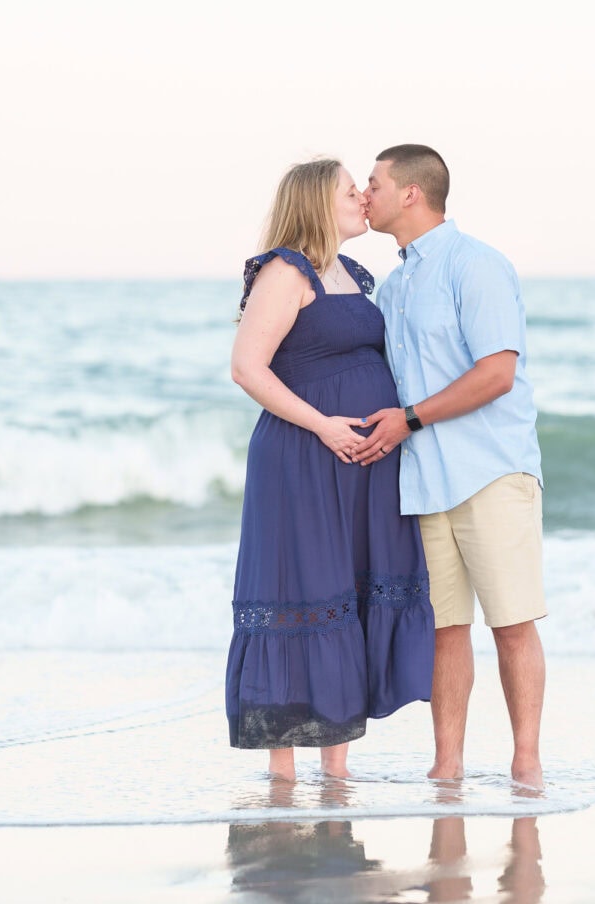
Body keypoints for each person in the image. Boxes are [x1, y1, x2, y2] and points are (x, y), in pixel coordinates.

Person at [225, 157, 435, 781]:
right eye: (352, 191)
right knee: (301, 591)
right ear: (319, 202)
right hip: (303, 458)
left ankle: (336, 772)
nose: (364, 199)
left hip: (361, 464)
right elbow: (247, 368)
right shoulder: (285, 271)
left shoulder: (355, 275)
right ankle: (283, 776)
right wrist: (322, 424)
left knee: (346, 593)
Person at [353, 144, 548, 788]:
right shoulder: (394, 284)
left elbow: (496, 374)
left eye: (374, 184)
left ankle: (526, 764)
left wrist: (408, 419)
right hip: (423, 479)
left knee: (512, 625)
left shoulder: (478, 266)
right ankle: (448, 767)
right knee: (444, 629)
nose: (365, 194)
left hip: (490, 470)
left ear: (411, 192)